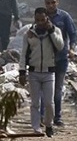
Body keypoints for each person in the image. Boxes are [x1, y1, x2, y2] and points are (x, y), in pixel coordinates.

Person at [19, 7, 64, 136]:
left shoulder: (55, 31)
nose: (40, 22)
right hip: (34, 72)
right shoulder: (29, 33)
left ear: (47, 18)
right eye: (37, 20)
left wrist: (51, 31)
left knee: (49, 103)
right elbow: (24, 54)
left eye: (42, 20)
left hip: (49, 72)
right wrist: (22, 71)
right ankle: (36, 127)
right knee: (35, 103)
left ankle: (48, 124)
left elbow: (60, 46)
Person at [43, 0, 77, 126]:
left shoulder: (64, 17)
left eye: (53, 2)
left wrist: (72, 48)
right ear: (44, 2)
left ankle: (57, 117)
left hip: (61, 58)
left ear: (57, 1)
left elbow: (73, 34)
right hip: (45, 59)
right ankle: (43, 116)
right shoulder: (41, 16)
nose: (50, 6)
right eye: (48, 3)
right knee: (45, 90)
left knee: (57, 89)